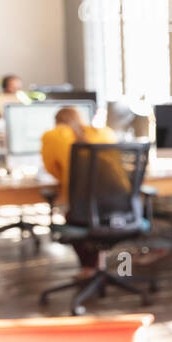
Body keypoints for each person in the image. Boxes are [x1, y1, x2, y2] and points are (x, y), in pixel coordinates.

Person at [41, 107, 119, 272]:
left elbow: (53, 170)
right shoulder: (105, 133)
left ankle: (88, 270)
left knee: (76, 217)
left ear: (57, 122)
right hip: (119, 208)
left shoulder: (53, 135)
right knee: (93, 218)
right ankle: (96, 268)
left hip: (83, 212)